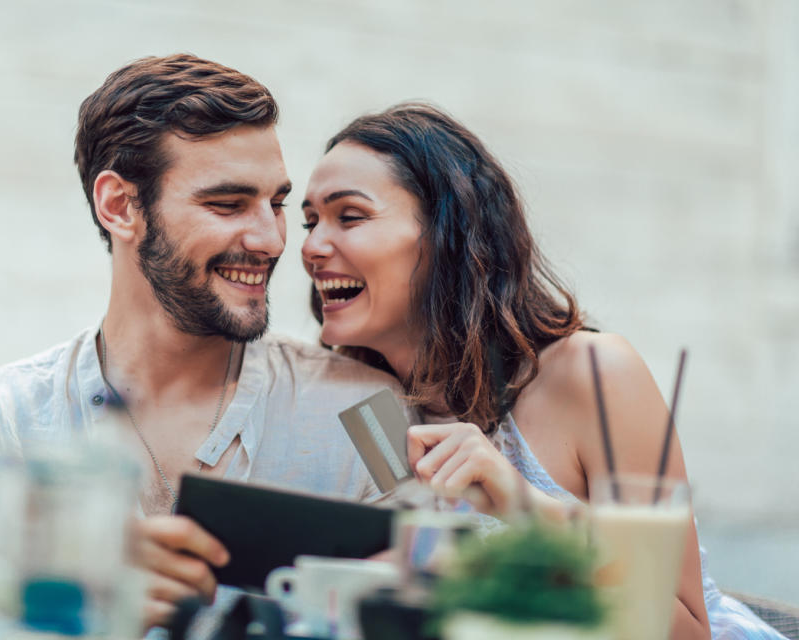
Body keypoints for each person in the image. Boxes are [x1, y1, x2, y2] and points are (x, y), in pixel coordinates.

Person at [0, 54, 403, 631]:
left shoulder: (369, 410)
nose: (272, 239)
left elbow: (443, 601)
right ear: (121, 206)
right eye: (227, 204)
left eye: (276, 204)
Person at [300, 103, 785, 640]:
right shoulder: (368, 403)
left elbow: (685, 630)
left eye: (349, 216)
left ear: (445, 234)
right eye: (309, 221)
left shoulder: (595, 373)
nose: (311, 247)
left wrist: (519, 503)